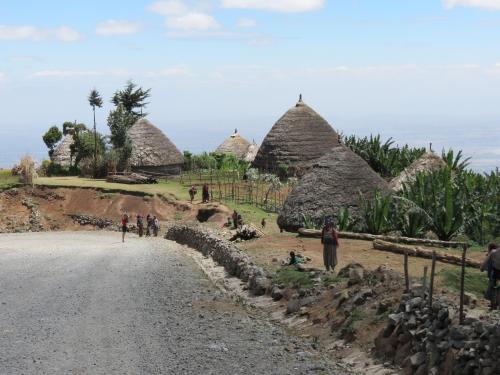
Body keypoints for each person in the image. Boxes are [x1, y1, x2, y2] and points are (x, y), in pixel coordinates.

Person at [481, 242, 500, 309]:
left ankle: (493, 306)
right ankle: (497, 304)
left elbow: (486, 261)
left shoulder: (493, 252)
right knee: (498, 288)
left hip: (496, 273)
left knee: (493, 289)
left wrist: (482, 268)